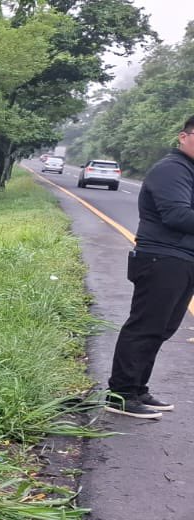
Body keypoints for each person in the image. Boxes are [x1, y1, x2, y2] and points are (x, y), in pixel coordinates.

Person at [104, 114, 194, 419]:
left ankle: (137, 389)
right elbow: (177, 216)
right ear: (183, 136)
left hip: (181, 259)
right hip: (162, 258)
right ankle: (120, 395)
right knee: (145, 327)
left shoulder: (188, 171)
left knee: (162, 328)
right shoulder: (172, 169)